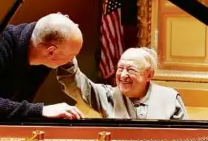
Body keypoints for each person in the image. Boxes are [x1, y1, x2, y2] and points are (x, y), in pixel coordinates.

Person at [57, 47, 188, 120]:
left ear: (149, 75)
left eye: (131, 69)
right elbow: (74, 83)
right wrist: (66, 52)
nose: (123, 75)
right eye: (120, 68)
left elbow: (185, 139)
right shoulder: (108, 96)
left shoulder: (170, 98)